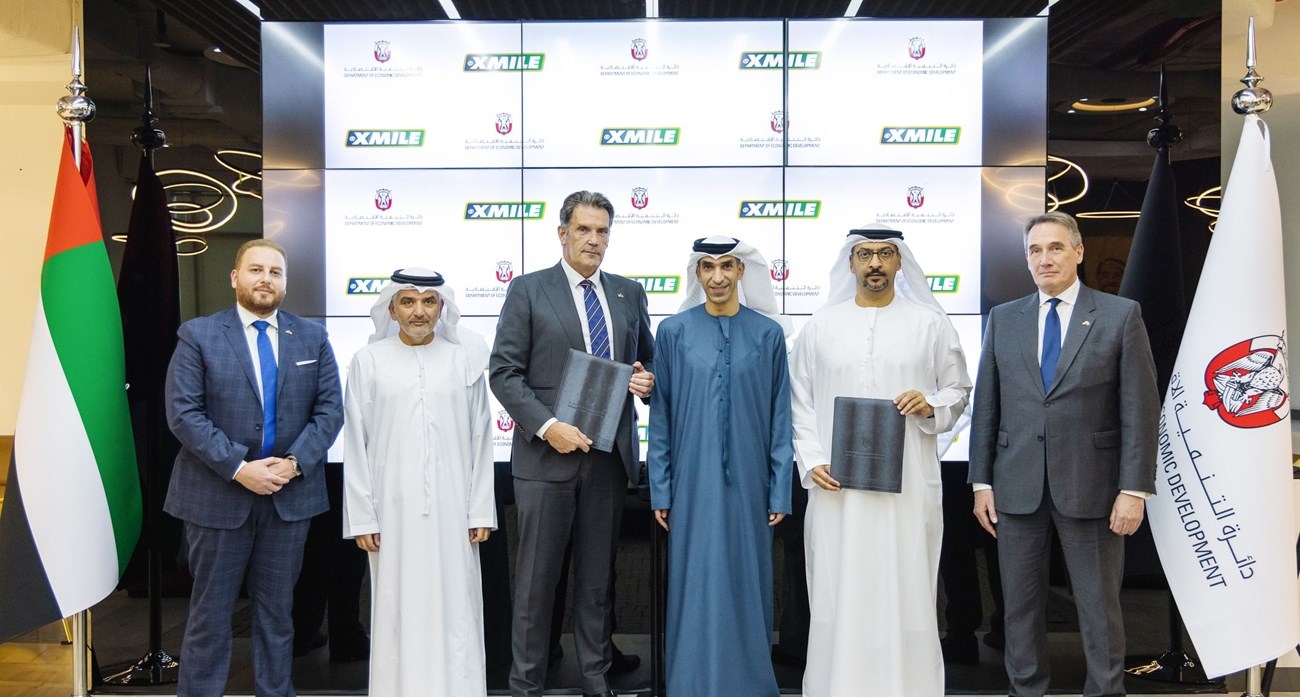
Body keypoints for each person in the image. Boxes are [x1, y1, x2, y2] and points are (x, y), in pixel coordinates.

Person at [969, 211, 1158, 697]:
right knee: (1019, 608)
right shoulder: (1004, 318)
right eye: (1035, 250)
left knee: (1098, 608)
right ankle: (1025, 691)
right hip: (1015, 487)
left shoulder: (1120, 315)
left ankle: (1105, 691)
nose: (1045, 258)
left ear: (1078, 251)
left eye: (1055, 247)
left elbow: (1140, 410)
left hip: (1094, 488)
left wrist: (1134, 489)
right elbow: (986, 406)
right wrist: (981, 482)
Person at [791, 224, 972, 696]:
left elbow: (958, 389)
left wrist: (930, 404)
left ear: (899, 262)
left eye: (885, 254)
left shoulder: (930, 324)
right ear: (850, 262)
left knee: (904, 585)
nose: (875, 263)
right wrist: (812, 459)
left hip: (906, 487)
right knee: (838, 588)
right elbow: (798, 400)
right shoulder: (820, 326)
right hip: (837, 489)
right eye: (865, 254)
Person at [489, 190, 655, 697]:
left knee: (598, 582)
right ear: (563, 233)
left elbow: (648, 362)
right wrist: (548, 426)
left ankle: (595, 681)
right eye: (583, 229)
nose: (593, 240)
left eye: (602, 231)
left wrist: (648, 381)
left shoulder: (629, 293)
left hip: (607, 460)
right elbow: (504, 372)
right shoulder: (528, 290)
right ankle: (526, 685)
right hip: (546, 459)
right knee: (536, 584)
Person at [164, 239, 343, 697]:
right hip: (216, 497)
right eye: (256, 269)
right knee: (210, 615)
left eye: (275, 272)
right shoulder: (198, 335)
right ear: (235, 277)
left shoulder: (313, 337)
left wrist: (294, 464)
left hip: (289, 498)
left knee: (278, 615)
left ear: (285, 282)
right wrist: (239, 468)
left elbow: (330, 411)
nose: (265, 279)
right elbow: (184, 413)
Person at [648, 236, 793, 697]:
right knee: (695, 584)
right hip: (691, 487)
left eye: (726, 266)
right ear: (697, 273)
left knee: (748, 583)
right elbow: (661, 416)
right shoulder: (673, 332)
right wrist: (661, 488)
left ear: (741, 272)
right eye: (708, 267)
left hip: (751, 487)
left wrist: (779, 489)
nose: (717, 277)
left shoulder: (768, 335)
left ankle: (749, 684)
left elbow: (780, 418)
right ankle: (691, 684)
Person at [342, 268, 496, 696]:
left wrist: (480, 509)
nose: (419, 312)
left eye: (429, 302)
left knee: (457, 608)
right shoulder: (368, 361)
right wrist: (363, 517)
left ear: (442, 307)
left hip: (455, 512)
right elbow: (356, 442)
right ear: (392, 309)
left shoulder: (464, 360)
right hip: (392, 514)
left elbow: (482, 436)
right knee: (397, 609)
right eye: (408, 302)